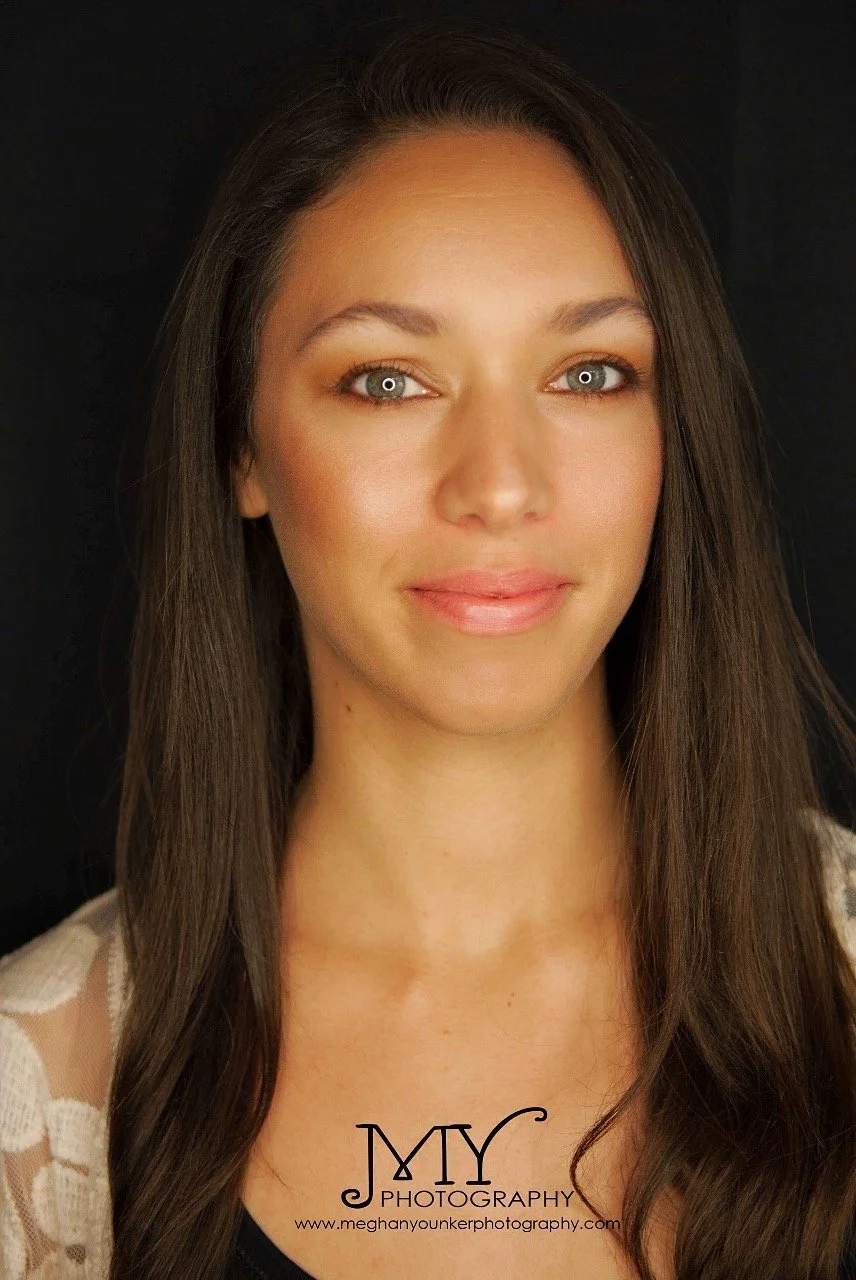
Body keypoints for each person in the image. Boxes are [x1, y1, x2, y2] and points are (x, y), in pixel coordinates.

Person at [2, 17, 856, 1280]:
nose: (501, 486)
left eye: (590, 373)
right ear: (240, 447)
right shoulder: (41, 1086)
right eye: (388, 381)